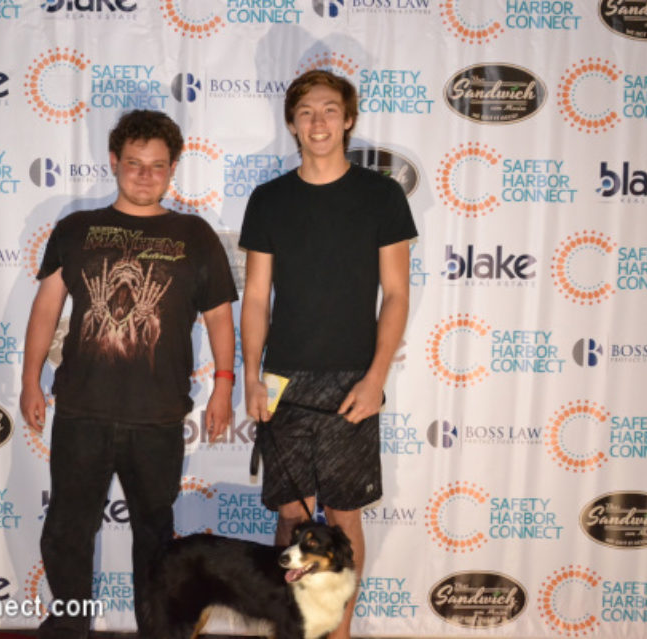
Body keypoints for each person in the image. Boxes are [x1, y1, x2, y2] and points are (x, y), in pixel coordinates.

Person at [20, 109, 238, 639]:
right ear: (114, 161)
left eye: (157, 166)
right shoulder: (76, 228)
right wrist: (29, 380)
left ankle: (157, 631)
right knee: (67, 532)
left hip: (157, 417)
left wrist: (224, 386)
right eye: (135, 163)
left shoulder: (195, 234)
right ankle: (69, 626)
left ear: (173, 169)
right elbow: (46, 307)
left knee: (155, 538)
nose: (145, 175)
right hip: (81, 410)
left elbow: (219, 317)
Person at [239, 69, 417, 639]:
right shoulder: (269, 199)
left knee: (342, 517)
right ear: (292, 124)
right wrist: (251, 376)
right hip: (284, 381)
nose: (318, 122)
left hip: (352, 382)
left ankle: (338, 634)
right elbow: (256, 297)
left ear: (348, 120)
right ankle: (297, 630)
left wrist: (375, 378)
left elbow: (396, 294)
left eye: (329, 110)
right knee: (291, 518)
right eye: (306, 112)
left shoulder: (381, 196)